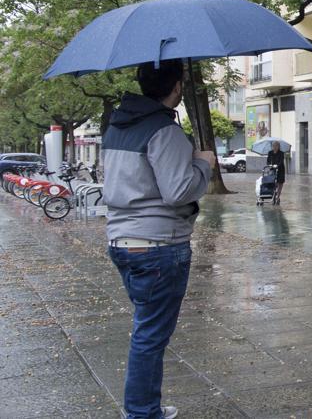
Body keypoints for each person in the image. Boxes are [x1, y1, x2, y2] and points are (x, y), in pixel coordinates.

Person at [102, 60, 214, 419]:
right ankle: (142, 412)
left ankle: (144, 407)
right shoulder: (162, 131)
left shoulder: (117, 127)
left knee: (146, 330)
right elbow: (179, 190)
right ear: (177, 87)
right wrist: (203, 164)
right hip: (159, 246)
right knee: (150, 337)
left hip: (122, 243)